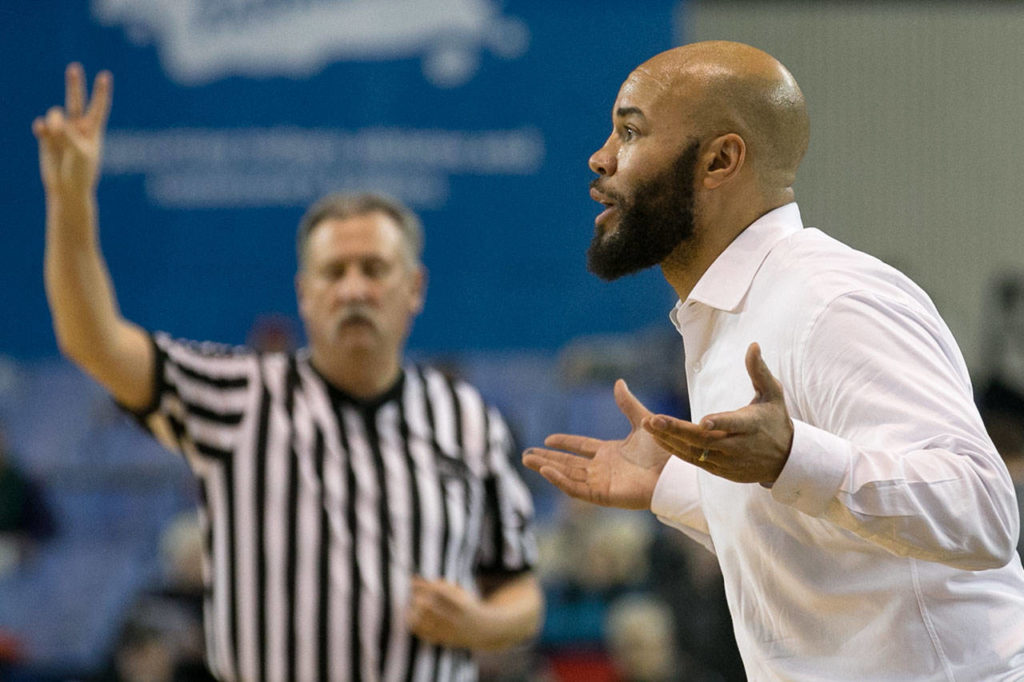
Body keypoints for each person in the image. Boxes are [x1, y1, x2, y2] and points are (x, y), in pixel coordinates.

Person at [523, 40, 1024, 680]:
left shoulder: (832, 301)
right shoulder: (731, 311)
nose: (601, 157)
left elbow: (984, 510)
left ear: (720, 161)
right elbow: (827, 539)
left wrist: (793, 456)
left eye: (629, 131)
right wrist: (668, 486)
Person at [34, 63, 543, 681]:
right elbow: (94, 343)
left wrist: (481, 624)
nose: (354, 289)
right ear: (304, 294)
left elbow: (519, 588)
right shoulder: (238, 397)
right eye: (335, 272)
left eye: (375, 269)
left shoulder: (468, 420)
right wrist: (70, 202)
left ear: (414, 288)